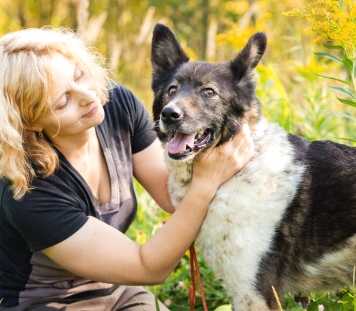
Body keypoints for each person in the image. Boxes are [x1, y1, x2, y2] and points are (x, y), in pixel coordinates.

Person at [0, 27, 254, 310]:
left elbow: (172, 196)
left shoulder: (117, 105)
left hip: (119, 291)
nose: (89, 96)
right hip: (48, 302)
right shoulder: (27, 190)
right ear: (31, 122)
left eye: (79, 75)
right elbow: (149, 268)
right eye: (64, 101)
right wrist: (207, 182)